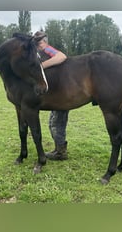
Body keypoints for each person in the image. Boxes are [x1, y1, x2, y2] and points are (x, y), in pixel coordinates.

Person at [33, 31, 69, 160]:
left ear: (45, 41)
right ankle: (58, 149)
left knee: (56, 123)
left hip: (62, 95)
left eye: (40, 42)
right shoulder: (39, 52)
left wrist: (41, 66)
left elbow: (61, 56)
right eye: (37, 43)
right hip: (57, 95)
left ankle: (61, 153)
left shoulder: (47, 49)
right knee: (53, 123)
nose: (39, 45)